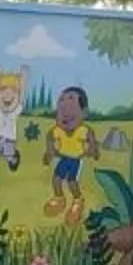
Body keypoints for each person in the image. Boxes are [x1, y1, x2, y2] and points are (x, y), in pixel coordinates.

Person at [42, 85, 100, 220]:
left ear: (84, 112)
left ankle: (78, 200)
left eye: (70, 108)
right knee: (56, 179)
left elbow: (91, 139)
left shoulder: (83, 130)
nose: (64, 113)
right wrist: (50, 151)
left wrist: (93, 150)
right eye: (61, 109)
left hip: (75, 160)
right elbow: (50, 136)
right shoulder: (57, 130)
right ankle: (59, 198)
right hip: (63, 158)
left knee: (71, 182)